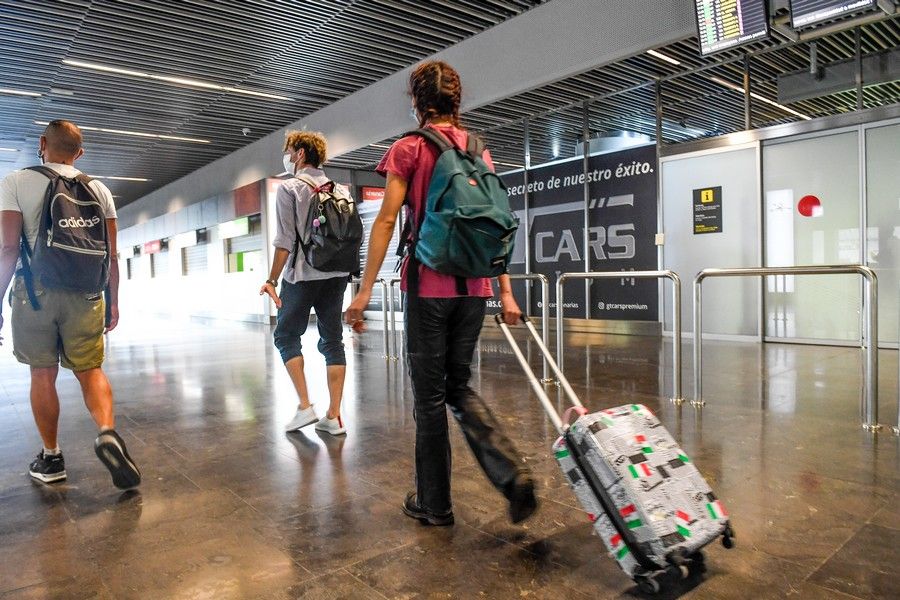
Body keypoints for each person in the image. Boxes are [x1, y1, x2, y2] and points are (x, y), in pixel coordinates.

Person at [345, 60, 537, 526]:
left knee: (430, 399)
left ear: (417, 102)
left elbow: (387, 221)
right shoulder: (479, 150)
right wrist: (505, 293)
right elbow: (497, 229)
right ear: (457, 99)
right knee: (459, 385)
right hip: (474, 290)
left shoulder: (408, 149)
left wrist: (364, 291)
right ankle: (510, 474)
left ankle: (435, 504)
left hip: (427, 287)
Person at [0, 119, 140, 489]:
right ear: (80, 153)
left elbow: (9, 248)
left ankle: (51, 458)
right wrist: (113, 302)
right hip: (87, 293)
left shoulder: (15, 182)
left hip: (34, 293)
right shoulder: (100, 189)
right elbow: (110, 254)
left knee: (42, 373)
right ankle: (107, 431)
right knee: (90, 369)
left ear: (42, 143)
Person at [260, 131, 348, 436]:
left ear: (299, 154)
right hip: (337, 275)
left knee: (285, 336)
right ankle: (334, 416)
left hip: (302, 274)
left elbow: (284, 242)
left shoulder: (290, 189)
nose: (286, 156)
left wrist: (271, 279)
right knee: (333, 340)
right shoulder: (341, 189)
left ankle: (305, 406)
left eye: (288, 151)